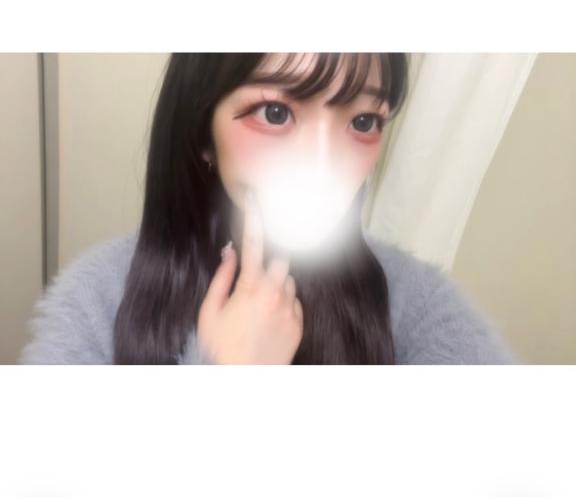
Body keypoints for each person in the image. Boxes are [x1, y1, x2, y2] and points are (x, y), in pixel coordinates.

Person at [19, 53, 518, 365]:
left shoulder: (418, 306)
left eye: (364, 121)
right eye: (276, 113)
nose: (324, 165)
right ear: (202, 134)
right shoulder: (95, 301)